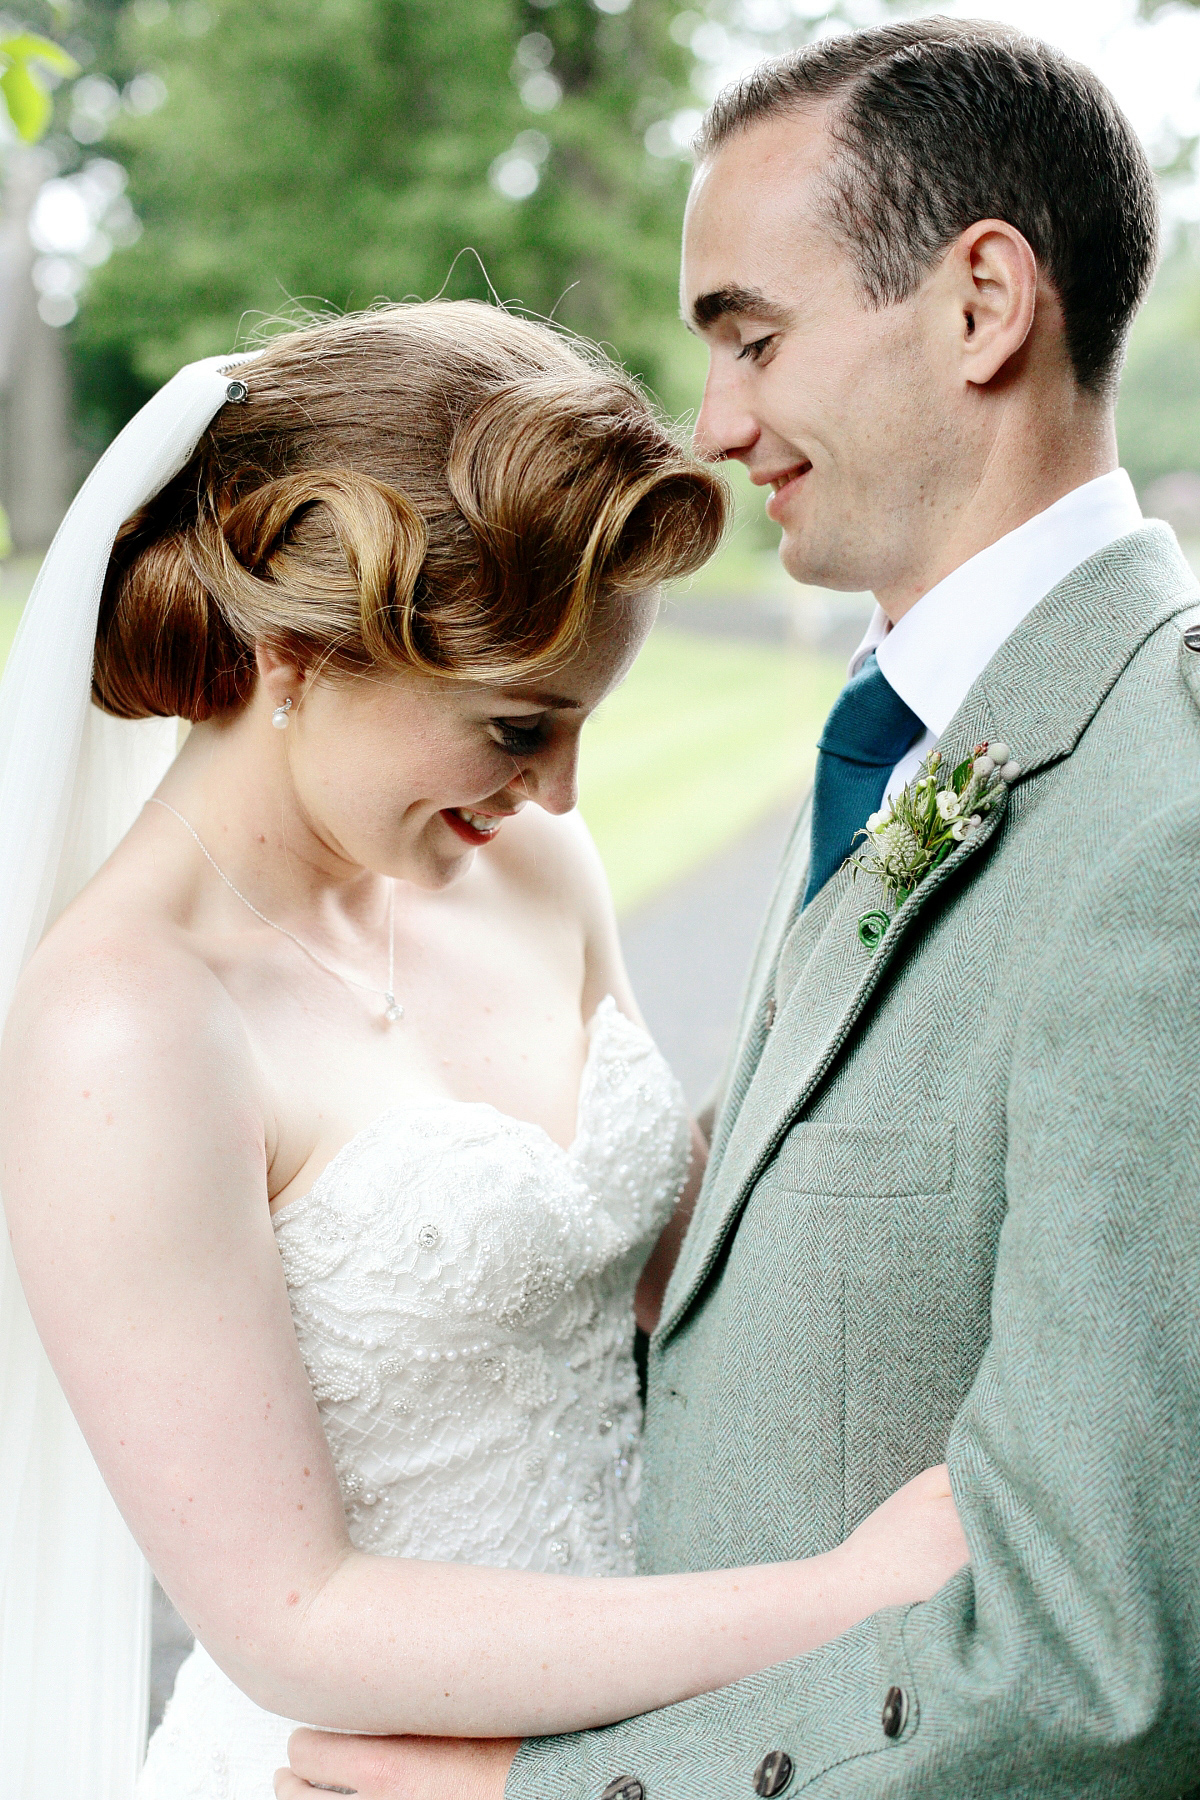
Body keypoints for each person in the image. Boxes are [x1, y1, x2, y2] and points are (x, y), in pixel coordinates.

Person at [280, 19, 1200, 1800]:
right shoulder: (934, 724)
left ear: (983, 304)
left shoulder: (1158, 831)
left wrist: (524, 1793)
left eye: (754, 339)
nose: (715, 425)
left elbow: (1092, 1671)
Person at [0, 300, 968, 1800]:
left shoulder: (526, 873)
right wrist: (839, 1600)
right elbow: (293, 1621)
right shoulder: (120, 1030)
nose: (565, 798)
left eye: (583, 725)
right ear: (301, 653)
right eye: (519, 730)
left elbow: (674, 1272)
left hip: (653, 1757)